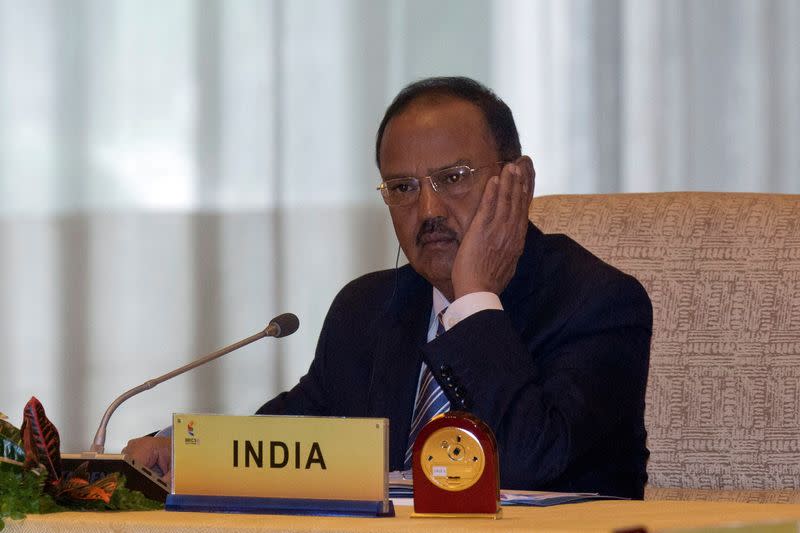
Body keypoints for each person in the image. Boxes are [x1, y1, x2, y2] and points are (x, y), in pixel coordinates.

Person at [125, 76, 652, 498]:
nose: (429, 211)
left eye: (455, 177)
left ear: (519, 180)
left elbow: (527, 466)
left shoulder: (598, 303)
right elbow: (290, 442)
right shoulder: (370, 308)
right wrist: (183, 452)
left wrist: (473, 301)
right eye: (403, 188)